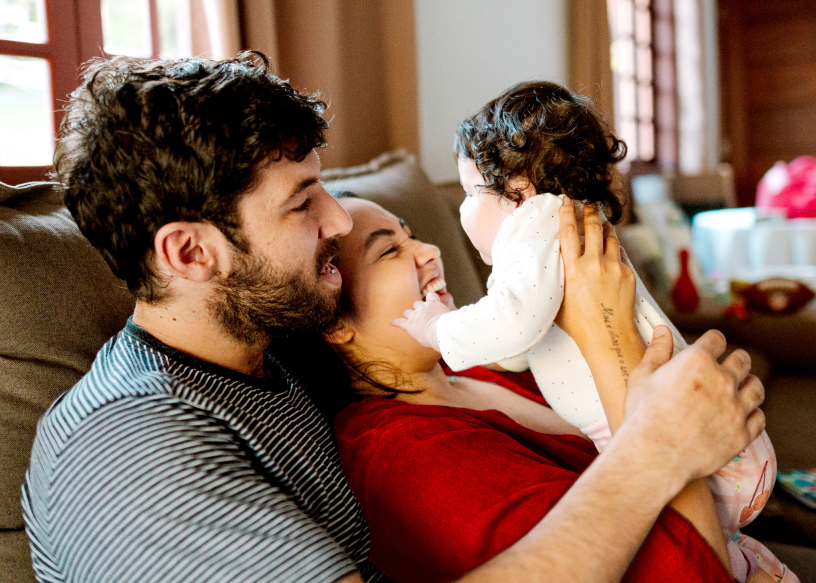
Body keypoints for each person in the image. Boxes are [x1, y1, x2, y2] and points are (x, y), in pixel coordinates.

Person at [21, 53, 765, 583]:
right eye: (301, 201)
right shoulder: (134, 451)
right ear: (189, 252)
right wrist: (657, 443)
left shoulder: (266, 362)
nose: (335, 217)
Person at [390, 81, 788, 582]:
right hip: (717, 441)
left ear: (518, 190)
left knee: (692, 554)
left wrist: (436, 327)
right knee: (724, 552)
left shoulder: (537, 226)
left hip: (691, 442)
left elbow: (512, 324)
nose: (464, 210)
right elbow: (523, 343)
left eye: (470, 193)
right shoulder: (569, 221)